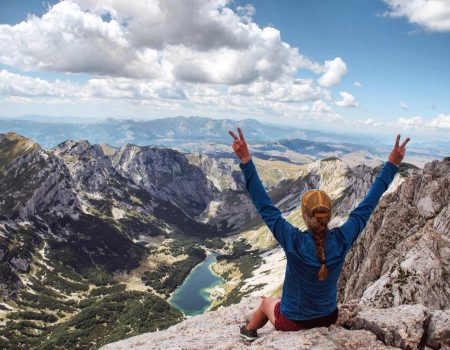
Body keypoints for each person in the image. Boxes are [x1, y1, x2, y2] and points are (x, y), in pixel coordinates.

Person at [228, 127, 410, 341]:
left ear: (304, 217)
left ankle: (248, 332)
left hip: (292, 322)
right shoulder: (343, 239)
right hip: (328, 317)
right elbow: (367, 205)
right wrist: (392, 165)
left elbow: (265, 207)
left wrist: (246, 160)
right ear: (329, 215)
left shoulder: (293, 241)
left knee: (267, 302)